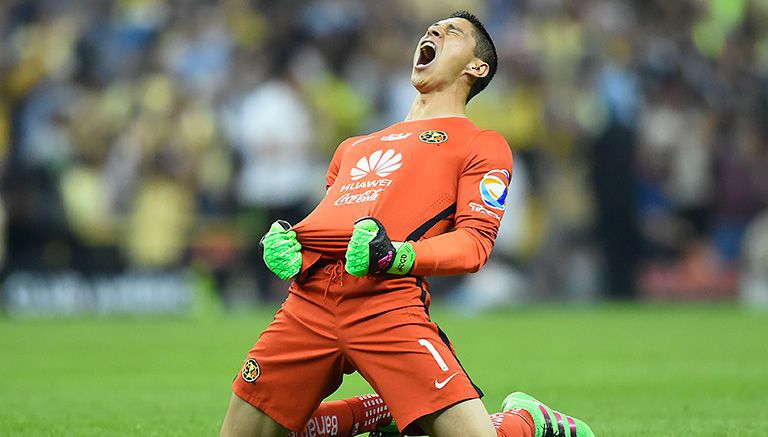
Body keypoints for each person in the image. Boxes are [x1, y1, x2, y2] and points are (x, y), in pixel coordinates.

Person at [220, 11, 595, 437]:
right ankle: (377, 410)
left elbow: (474, 245)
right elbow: (333, 221)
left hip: (388, 304)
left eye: (452, 31)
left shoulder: (481, 145)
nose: (434, 31)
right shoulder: (355, 147)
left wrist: (397, 255)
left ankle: (522, 420)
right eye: (432, 27)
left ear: (477, 67)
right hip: (308, 305)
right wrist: (292, 245)